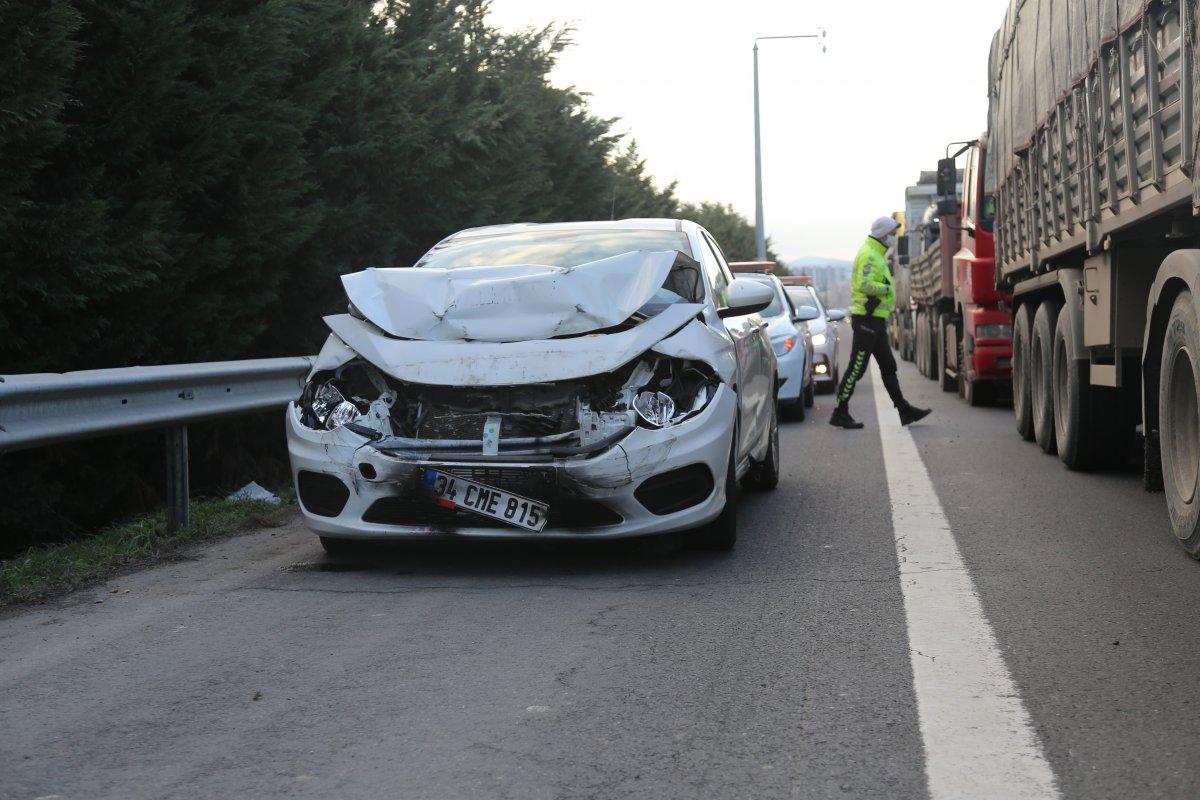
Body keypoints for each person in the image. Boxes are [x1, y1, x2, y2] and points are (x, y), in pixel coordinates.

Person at [829, 216, 931, 430]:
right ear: (883, 234)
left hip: (876, 320)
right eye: (892, 233)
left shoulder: (876, 254)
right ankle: (840, 412)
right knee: (856, 369)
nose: (894, 237)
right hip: (866, 320)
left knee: (888, 366)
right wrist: (885, 288)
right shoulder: (869, 255)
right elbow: (864, 284)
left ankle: (904, 410)